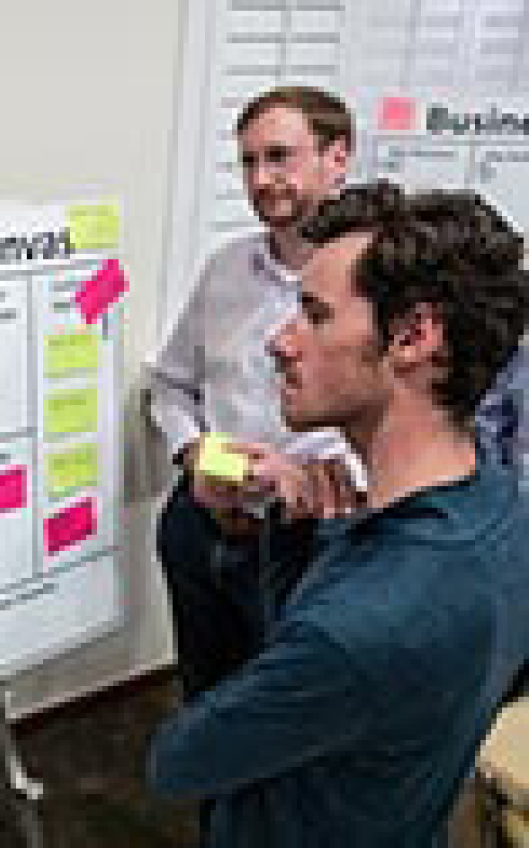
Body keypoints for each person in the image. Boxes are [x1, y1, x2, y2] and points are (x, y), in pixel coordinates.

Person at [149, 181, 529, 845]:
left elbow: (177, 763)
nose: (280, 342)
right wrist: (307, 539)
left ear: (412, 337)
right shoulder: (498, 508)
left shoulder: (360, 628)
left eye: (315, 315)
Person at [148, 86, 363, 701]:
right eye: (248, 162)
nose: (262, 178)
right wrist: (195, 457)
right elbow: (170, 385)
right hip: (201, 524)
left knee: (290, 721)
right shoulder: (225, 270)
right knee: (207, 700)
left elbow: (415, 422)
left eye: (280, 157)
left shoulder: (378, 286)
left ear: (337, 157)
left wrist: (312, 476)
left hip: (311, 542)